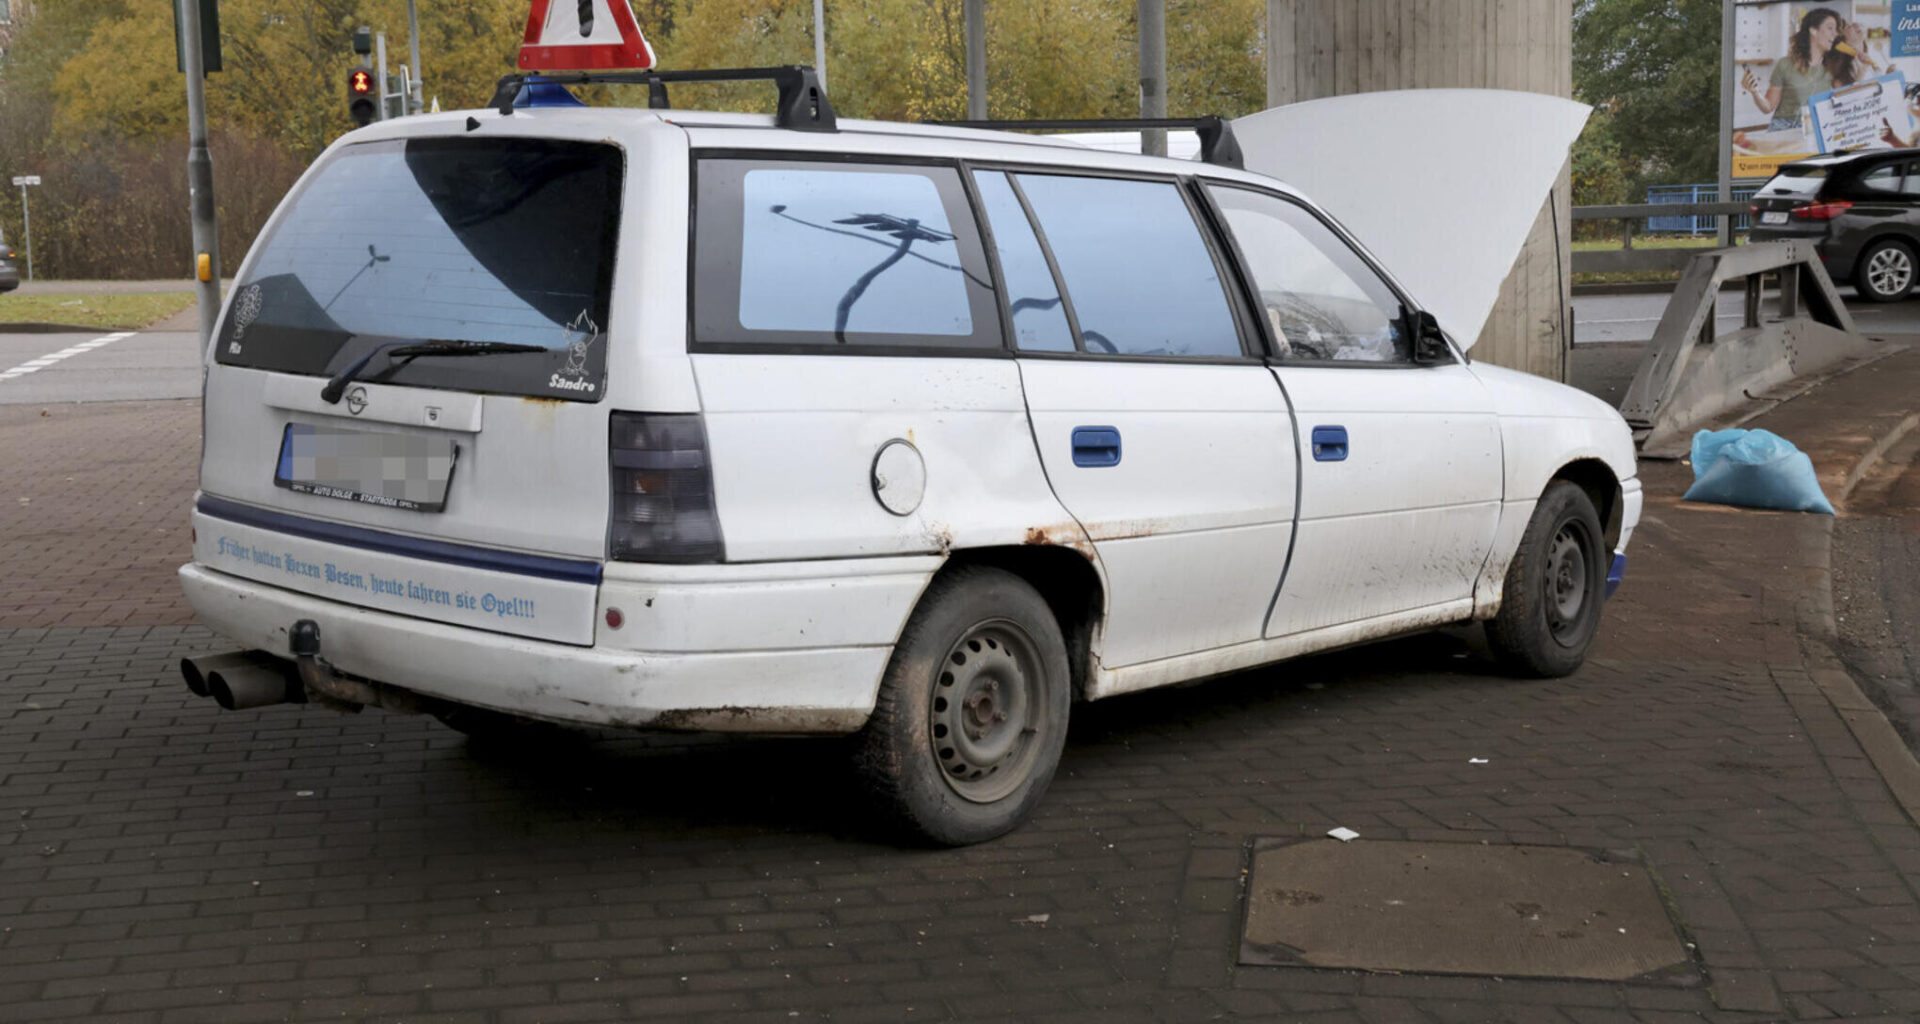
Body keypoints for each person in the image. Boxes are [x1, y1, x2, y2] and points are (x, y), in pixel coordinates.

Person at [1743, 8, 1867, 131]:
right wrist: (1755, 92)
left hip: (1812, 129)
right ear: (1813, 30)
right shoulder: (1785, 64)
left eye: (1836, 30)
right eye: (1830, 28)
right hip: (1781, 128)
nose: (1835, 34)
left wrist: (1862, 70)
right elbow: (1768, 107)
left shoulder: (1832, 68)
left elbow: (1847, 100)